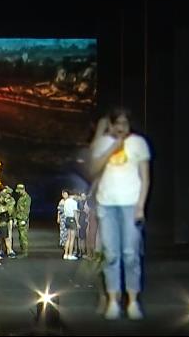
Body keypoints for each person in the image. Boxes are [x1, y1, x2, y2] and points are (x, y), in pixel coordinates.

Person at [90, 108, 151, 320]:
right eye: (117, 124)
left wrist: (141, 206)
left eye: (124, 123)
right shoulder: (103, 142)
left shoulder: (139, 143)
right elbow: (93, 169)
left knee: (130, 253)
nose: (121, 128)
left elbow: (145, 177)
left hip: (130, 204)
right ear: (111, 125)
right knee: (111, 254)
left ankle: (133, 301)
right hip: (107, 205)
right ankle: (113, 301)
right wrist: (111, 148)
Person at [14, 184, 31, 257]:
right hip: (19, 219)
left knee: (23, 236)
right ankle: (22, 250)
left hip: (23, 220)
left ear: (22, 189)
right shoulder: (20, 198)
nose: (18, 192)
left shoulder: (27, 198)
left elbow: (27, 210)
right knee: (21, 236)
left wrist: (24, 219)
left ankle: (25, 252)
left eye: (19, 190)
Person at [63, 192, 79, 260]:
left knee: (68, 238)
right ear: (74, 195)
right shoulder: (74, 202)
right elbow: (75, 212)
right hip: (72, 219)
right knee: (72, 239)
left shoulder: (66, 201)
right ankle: (70, 254)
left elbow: (64, 211)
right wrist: (77, 223)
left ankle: (65, 254)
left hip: (67, 219)